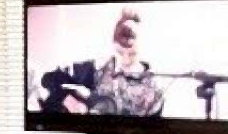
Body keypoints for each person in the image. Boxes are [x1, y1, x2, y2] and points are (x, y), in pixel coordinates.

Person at [35, 9, 164, 117]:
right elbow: (49, 78)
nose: (126, 51)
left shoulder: (155, 90)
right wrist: (70, 101)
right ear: (114, 41)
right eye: (122, 36)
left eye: (131, 36)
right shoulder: (95, 69)